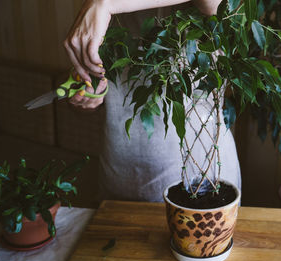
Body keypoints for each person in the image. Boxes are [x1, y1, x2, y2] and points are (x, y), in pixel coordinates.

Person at [64, 0, 241, 202]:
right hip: (120, 171)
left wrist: (104, 3)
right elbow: (102, 89)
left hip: (199, 177)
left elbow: (213, 4)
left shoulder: (101, 4)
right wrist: (88, 99)